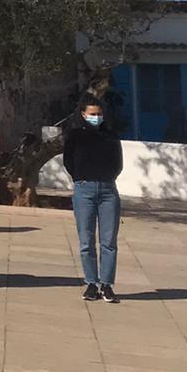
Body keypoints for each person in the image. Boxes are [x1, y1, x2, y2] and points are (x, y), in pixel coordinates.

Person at [63, 95, 122, 303]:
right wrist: (80, 177)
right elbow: (68, 161)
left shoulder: (110, 135)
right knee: (86, 240)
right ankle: (91, 283)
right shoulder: (75, 135)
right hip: (84, 189)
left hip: (108, 190)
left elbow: (118, 163)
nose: (96, 117)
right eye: (92, 114)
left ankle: (107, 284)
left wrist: (107, 177)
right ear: (83, 114)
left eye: (99, 114)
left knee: (108, 241)